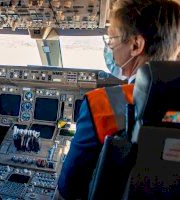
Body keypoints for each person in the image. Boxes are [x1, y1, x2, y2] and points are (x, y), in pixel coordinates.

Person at [57, 0, 180, 199]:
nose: (110, 47)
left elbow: (68, 189)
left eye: (111, 39)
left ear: (136, 45)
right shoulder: (174, 112)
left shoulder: (101, 105)